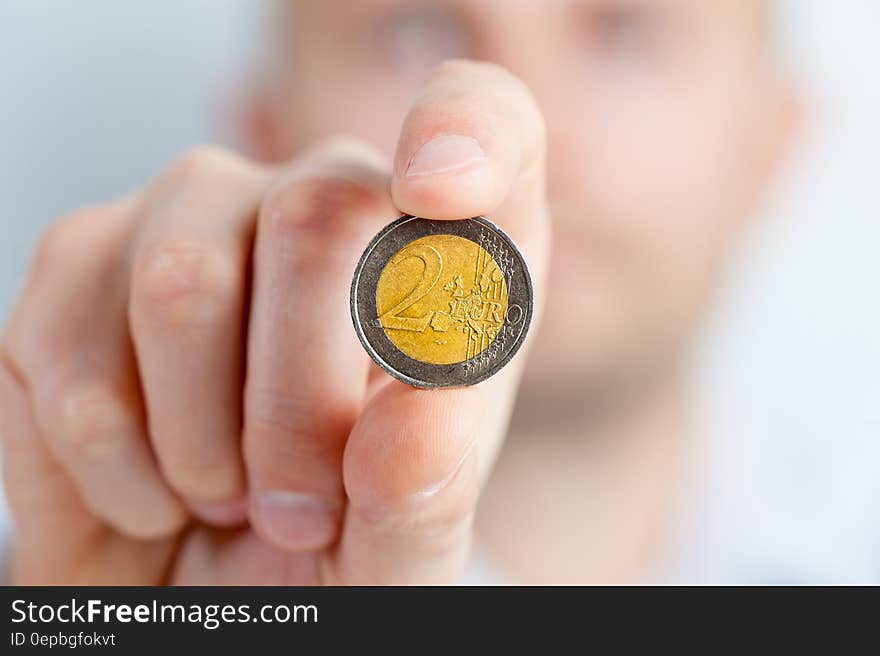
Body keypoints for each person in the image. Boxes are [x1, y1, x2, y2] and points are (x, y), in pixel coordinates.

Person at [0, 0, 801, 584]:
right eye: (414, 27)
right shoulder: (86, 572)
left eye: (625, 30)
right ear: (267, 129)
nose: (534, 126)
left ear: (770, 143)